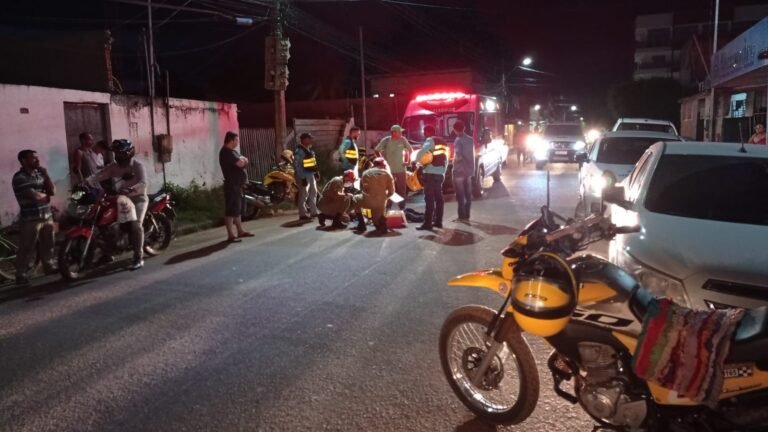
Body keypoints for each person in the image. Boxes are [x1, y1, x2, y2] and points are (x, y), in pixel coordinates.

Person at [86, 139, 148, 270]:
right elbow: (100, 175)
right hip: (120, 199)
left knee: (136, 225)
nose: (117, 156)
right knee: (103, 222)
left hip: (138, 199)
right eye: (116, 153)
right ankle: (107, 253)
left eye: (120, 153)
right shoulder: (113, 166)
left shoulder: (137, 165)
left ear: (128, 153)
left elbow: (143, 183)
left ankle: (138, 256)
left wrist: (131, 189)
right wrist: (85, 182)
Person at [12, 150, 57, 285]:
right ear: (24, 161)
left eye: (37, 158)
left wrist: (46, 174)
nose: (37, 160)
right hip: (30, 218)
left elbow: (52, 191)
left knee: (48, 243)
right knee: (27, 247)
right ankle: (21, 274)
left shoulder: (39, 174)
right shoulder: (19, 177)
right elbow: (33, 195)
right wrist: (45, 196)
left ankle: (49, 266)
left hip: (46, 215)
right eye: (33, 158)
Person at [218, 131, 254, 243]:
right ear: (232, 140)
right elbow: (240, 163)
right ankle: (230, 235)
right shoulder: (226, 153)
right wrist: (244, 160)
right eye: (237, 140)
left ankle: (240, 231)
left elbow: (242, 160)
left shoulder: (232, 152)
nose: (238, 142)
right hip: (231, 185)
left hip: (237, 185)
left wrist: (244, 160)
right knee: (231, 210)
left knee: (237, 210)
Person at [414, 125, 448, 231]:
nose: (424, 134)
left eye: (425, 132)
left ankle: (427, 223)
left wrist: (416, 162)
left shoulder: (430, 140)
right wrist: (443, 172)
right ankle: (438, 222)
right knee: (439, 198)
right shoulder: (443, 142)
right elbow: (445, 159)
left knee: (429, 199)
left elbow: (422, 151)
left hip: (430, 173)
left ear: (428, 132)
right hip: (440, 173)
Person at [352, 157, 394, 235]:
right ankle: (380, 220)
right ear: (383, 165)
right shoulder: (387, 174)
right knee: (378, 214)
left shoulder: (365, 173)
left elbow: (362, 189)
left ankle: (361, 224)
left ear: (374, 164)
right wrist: (384, 198)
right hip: (381, 203)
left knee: (355, 198)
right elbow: (391, 192)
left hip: (368, 201)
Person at [375, 125, 412, 210]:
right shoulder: (386, 141)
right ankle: (388, 207)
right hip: (388, 170)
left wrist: (408, 161)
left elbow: (409, 150)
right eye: (400, 132)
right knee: (389, 189)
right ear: (394, 133)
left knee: (402, 189)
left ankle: (402, 207)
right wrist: (382, 162)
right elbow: (376, 150)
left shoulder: (403, 140)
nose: (401, 133)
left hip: (401, 169)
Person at [452, 120, 475, 221]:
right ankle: (467, 214)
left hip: (459, 171)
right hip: (469, 170)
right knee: (468, 194)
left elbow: (458, 156)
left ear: (454, 130)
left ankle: (461, 216)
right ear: (464, 128)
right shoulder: (470, 139)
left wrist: (454, 162)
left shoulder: (458, 140)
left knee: (460, 195)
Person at [295, 133, 320, 221]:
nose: (311, 140)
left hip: (311, 174)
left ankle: (314, 212)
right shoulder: (300, 151)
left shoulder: (308, 150)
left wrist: (316, 172)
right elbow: (297, 165)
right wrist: (302, 177)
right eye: (309, 139)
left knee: (313, 193)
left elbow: (313, 162)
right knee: (303, 195)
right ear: (305, 140)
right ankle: (302, 214)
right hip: (304, 176)